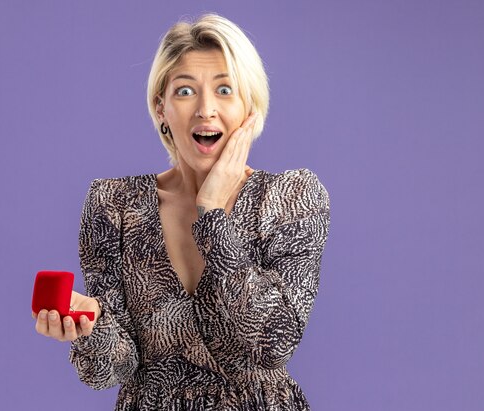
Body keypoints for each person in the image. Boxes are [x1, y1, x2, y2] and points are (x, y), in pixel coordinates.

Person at [33, 13, 331, 410]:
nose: (206, 110)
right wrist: (91, 326)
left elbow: (273, 341)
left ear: (250, 108)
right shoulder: (115, 205)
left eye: (225, 89)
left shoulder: (292, 197)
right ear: (161, 108)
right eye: (186, 91)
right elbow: (110, 371)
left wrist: (212, 215)